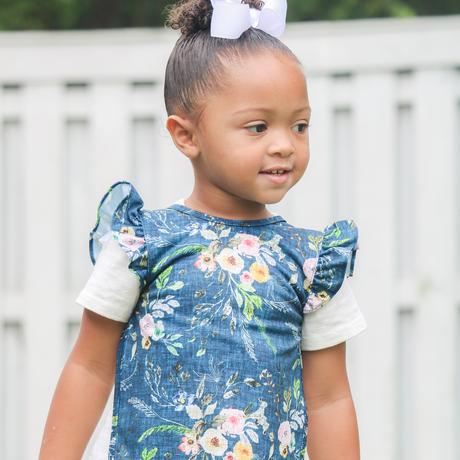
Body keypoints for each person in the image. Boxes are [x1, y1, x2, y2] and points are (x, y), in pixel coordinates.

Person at [39, 0, 367, 458]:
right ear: (186, 135)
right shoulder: (143, 244)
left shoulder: (313, 265)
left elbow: (329, 398)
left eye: (299, 125)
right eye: (258, 127)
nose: (284, 145)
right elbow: (90, 367)